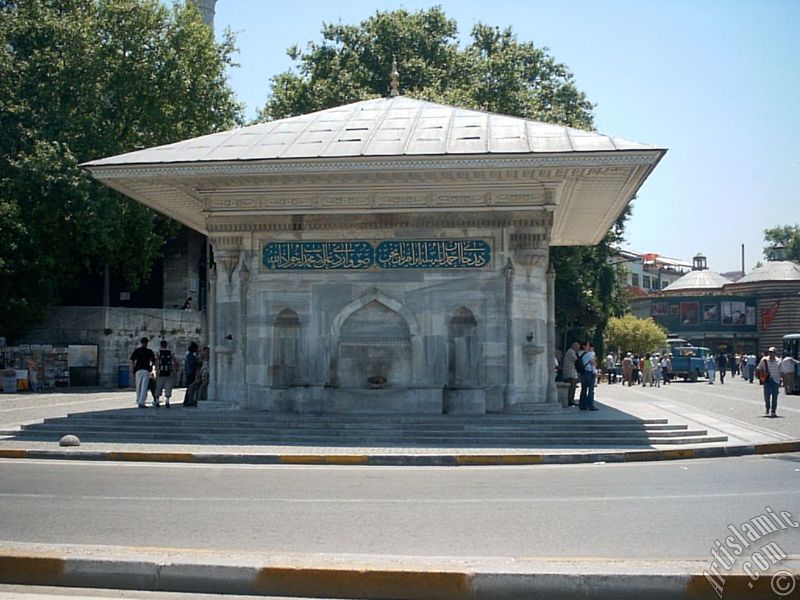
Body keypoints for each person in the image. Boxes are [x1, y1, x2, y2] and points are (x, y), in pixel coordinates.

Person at [130, 337, 156, 408]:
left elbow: (132, 360)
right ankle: (141, 402)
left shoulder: (137, 351)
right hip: (146, 370)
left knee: (138, 386)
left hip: (138, 370)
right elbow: (153, 361)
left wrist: (132, 368)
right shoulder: (149, 351)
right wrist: (151, 367)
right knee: (144, 386)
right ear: (147, 343)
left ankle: (139, 400)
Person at [756, 347, 782, 417]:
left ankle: (773, 411)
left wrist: (782, 381)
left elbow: (781, 371)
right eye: (770, 352)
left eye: (772, 352)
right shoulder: (764, 360)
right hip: (767, 380)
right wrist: (761, 373)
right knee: (767, 396)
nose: (771, 354)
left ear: (775, 353)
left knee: (775, 397)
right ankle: (767, 407)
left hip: (776, 380)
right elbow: (758, 368)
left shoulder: (779, 361)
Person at [155, 339, 178, 408]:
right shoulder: (170, 353)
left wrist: (156, 370)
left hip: (161, 372)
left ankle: (157, 401)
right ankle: (167, 401)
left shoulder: (158, 353)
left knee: (159, 387)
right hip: (169, 372)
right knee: (168, 387)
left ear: (160, 345)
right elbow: (175, 361)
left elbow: (156, 362)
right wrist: (174, 370)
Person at [578, 341, 598, 411]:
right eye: (588, 345)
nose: (589, 347)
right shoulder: (590, 354)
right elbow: (594, 364)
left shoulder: (581, 354)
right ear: (584, 346)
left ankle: (582, 405)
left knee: (583, 389)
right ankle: (590, 405)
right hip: (589, 372)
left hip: (583, 373)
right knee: (590, 390)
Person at [562, 342, 580, 407]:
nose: (578, 349)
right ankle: (570, 401)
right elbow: (575, 359)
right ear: (573, 346)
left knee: (572, 388)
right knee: (571, 388)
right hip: (570, 373)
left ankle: (571, 400)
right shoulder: (571, 352)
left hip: (571, 372)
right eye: (577, 347)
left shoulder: (571, 351)